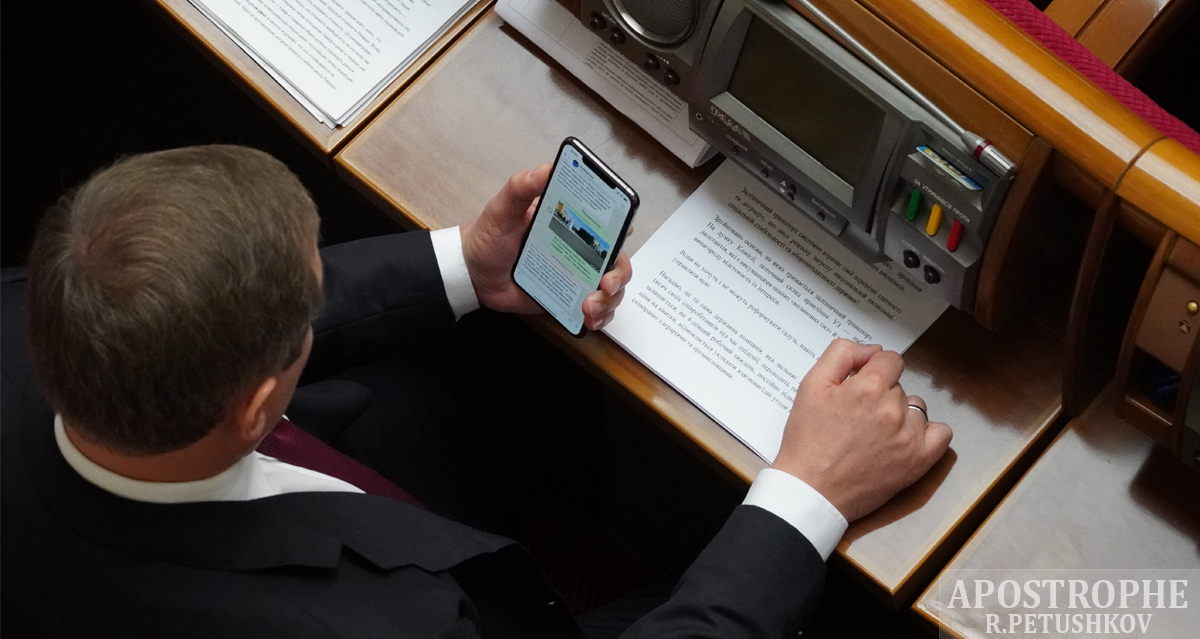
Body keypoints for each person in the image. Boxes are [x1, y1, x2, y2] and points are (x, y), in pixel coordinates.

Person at [0, 145, 952, 638]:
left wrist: (464, 263)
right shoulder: (378, 631)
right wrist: (805, 495)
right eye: (306, 304)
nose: (320, 291)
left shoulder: (40, 301)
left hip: (324, 490)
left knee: (501, 370)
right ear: (254, 409)